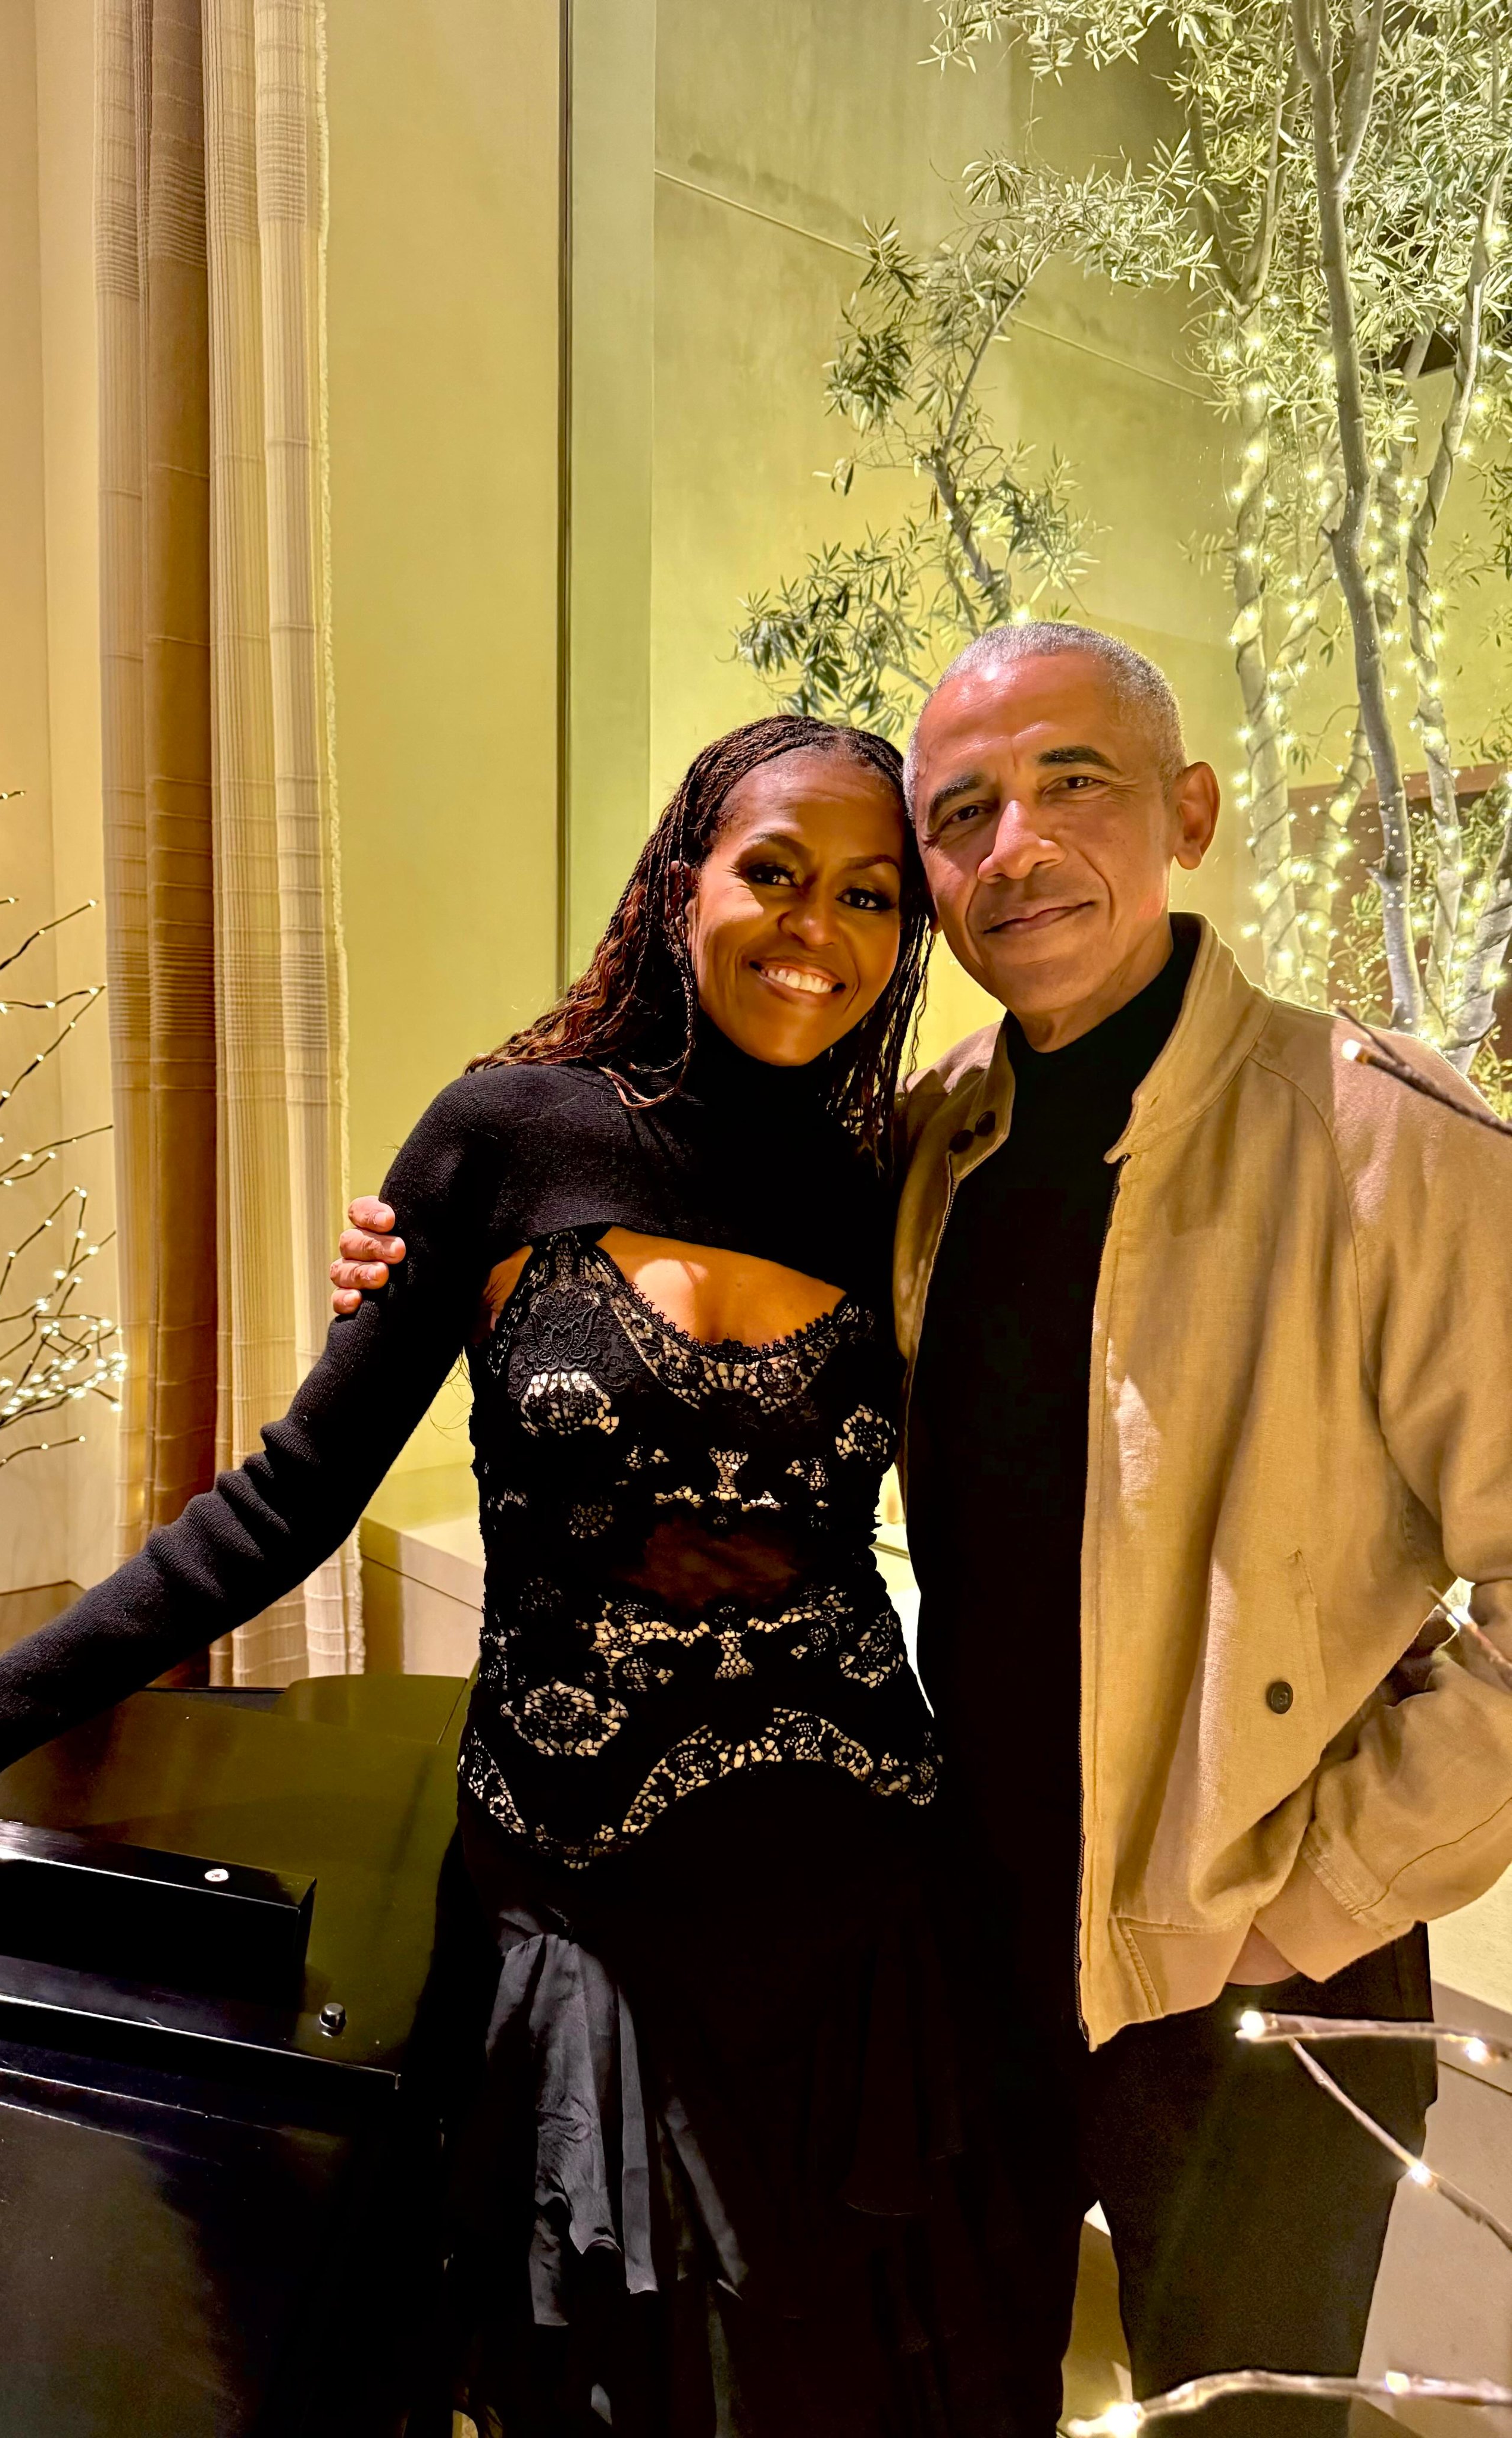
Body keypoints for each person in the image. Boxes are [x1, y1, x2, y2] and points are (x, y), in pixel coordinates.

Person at [0, 714, 1022, 2438]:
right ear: (685, 872)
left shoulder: (895, 1187)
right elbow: (278, 1512)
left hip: (858, 1928)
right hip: (580, 1927)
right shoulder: (502, 1138)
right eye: (773, 870)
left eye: (870, 896)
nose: (813, 929)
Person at [333, 625, 1512, 2438]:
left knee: (1251, 2423)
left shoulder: (1385, 1149)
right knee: (979, 2396)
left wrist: (1316, 1903)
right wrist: (429, 1265)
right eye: (963, 812)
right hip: (971, 1948)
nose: (1016, 844)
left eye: (1076, 784)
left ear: (1189, 813)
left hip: (1249, 1984)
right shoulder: (934, 1140)